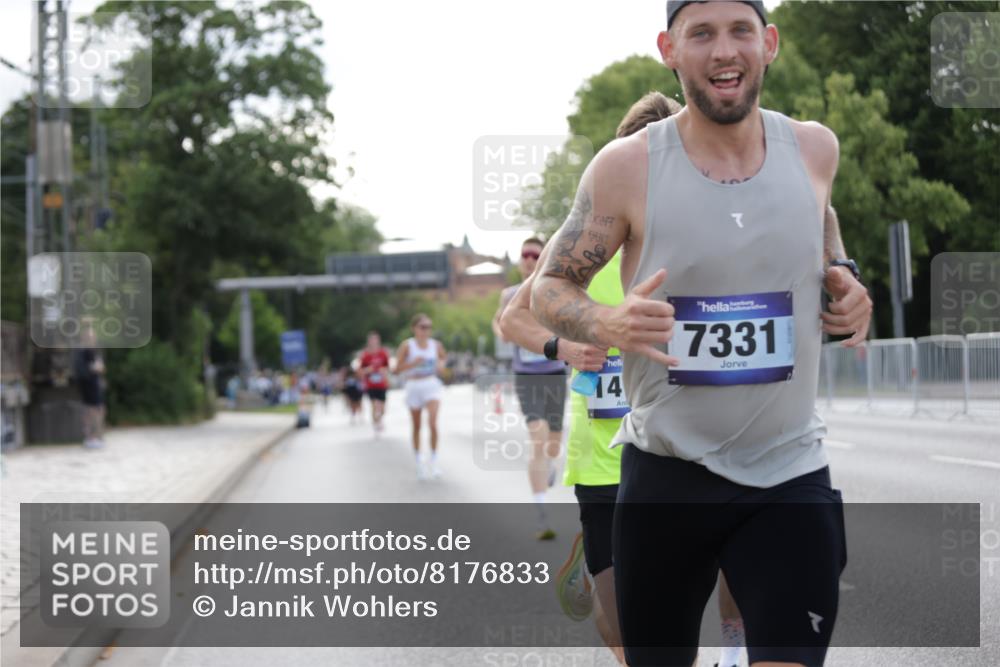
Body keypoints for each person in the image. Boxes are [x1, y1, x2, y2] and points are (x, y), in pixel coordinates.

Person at [530, 2, 872, 665]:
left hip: (789, 469)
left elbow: (822, 220)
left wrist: (844, 277)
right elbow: (547, 287)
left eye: (741, 31)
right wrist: (605, 321)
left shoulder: (813, 148)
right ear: (669, 48)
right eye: (702, 35)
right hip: (667, 474)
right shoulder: (627, 166)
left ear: (768, 43)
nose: (724, 52)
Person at [503, 91, 747, 667]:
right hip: (604, 459)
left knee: (733, 551)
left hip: (692, 446)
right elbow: (512, 315)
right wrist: (565, 343)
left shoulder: (704, 240)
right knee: (623, 627)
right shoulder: (589, 246)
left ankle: (735, 653)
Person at [493, 237, 570, 540]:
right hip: (526, 376)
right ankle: (541, 516)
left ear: (543, 258)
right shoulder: (509, 295)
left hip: (554, 374)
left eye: (534, 254)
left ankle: (549, 465)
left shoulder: (557, 292)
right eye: (523, 254)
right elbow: (499, 324)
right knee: (537, 439)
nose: (528, 259)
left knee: (553, 443)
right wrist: (506, 331)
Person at [395, 313, 447, 480]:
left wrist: (441, 365)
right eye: (422, 327)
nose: (426, 331)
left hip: (431, 384)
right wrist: (413, 363)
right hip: (413, 386)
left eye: (429, 327)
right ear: (414, 328)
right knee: (417, 426)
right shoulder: (407, 346)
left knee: (432, 423)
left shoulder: (435, 345)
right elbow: (396, 369)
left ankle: (434, 460)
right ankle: (418, 461)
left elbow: (443, 358)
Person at [74, 325, 106, 449]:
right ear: (84, 337)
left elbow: (101, 367)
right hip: (87, 385)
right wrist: (94, 368)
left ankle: (97, 436)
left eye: (92, 336)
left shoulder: (94, 351)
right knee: (90, 411)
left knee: (100, 410)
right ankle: (90, 437)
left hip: (95, 385)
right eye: (89, 336)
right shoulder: (82, 351)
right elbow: (82, 370)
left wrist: (98, 369)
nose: (91, 338)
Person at [358, 331, 391, 436]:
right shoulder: (365, 355)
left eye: (375, 340)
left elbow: (387, 367)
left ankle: (379, 419)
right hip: (371, 385)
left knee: (382, 408)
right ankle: (376, 423)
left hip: (382, 384)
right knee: (374, 405)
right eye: (371, 340)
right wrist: (369, 370)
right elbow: (360, 371)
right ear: (369, 342)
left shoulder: (383, 353)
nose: (373, 342)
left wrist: (384, 373)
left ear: (378, 341)